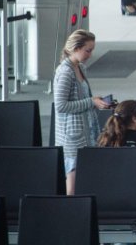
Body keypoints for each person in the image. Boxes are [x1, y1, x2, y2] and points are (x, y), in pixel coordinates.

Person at [53, 30, 112, 194]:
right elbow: (61, 105)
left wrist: (96, 101)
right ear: (76, 48)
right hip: (72, 137)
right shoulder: (65, 72)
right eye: (88, 50)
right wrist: (90, 102)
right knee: (72, 186)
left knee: (83, 180)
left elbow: (81, 99)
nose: (90, 54)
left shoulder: (80, 68)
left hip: (85, 131)